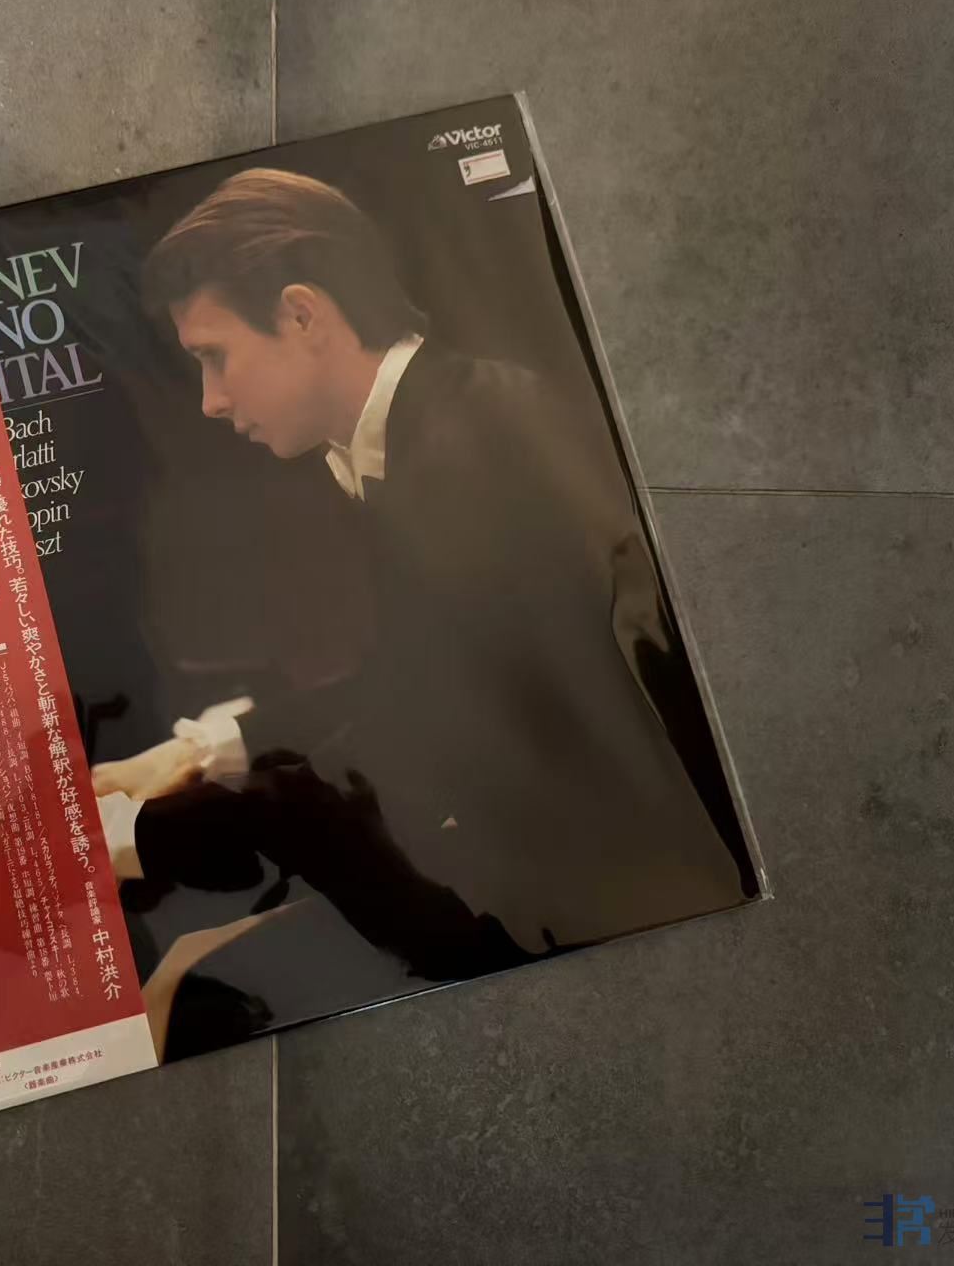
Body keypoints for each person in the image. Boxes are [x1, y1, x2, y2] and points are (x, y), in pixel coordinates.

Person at [94, 167, 752, 1048]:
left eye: (214, 356)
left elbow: (422, 744)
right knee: (193, 971)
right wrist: (205, 749)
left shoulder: (470, 454)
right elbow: (410, 683)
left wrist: (134, 836)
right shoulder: (435, 425)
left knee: (186, 995)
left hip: (604, 895)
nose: (211, 400)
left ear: (302, 316)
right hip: (538, 850)